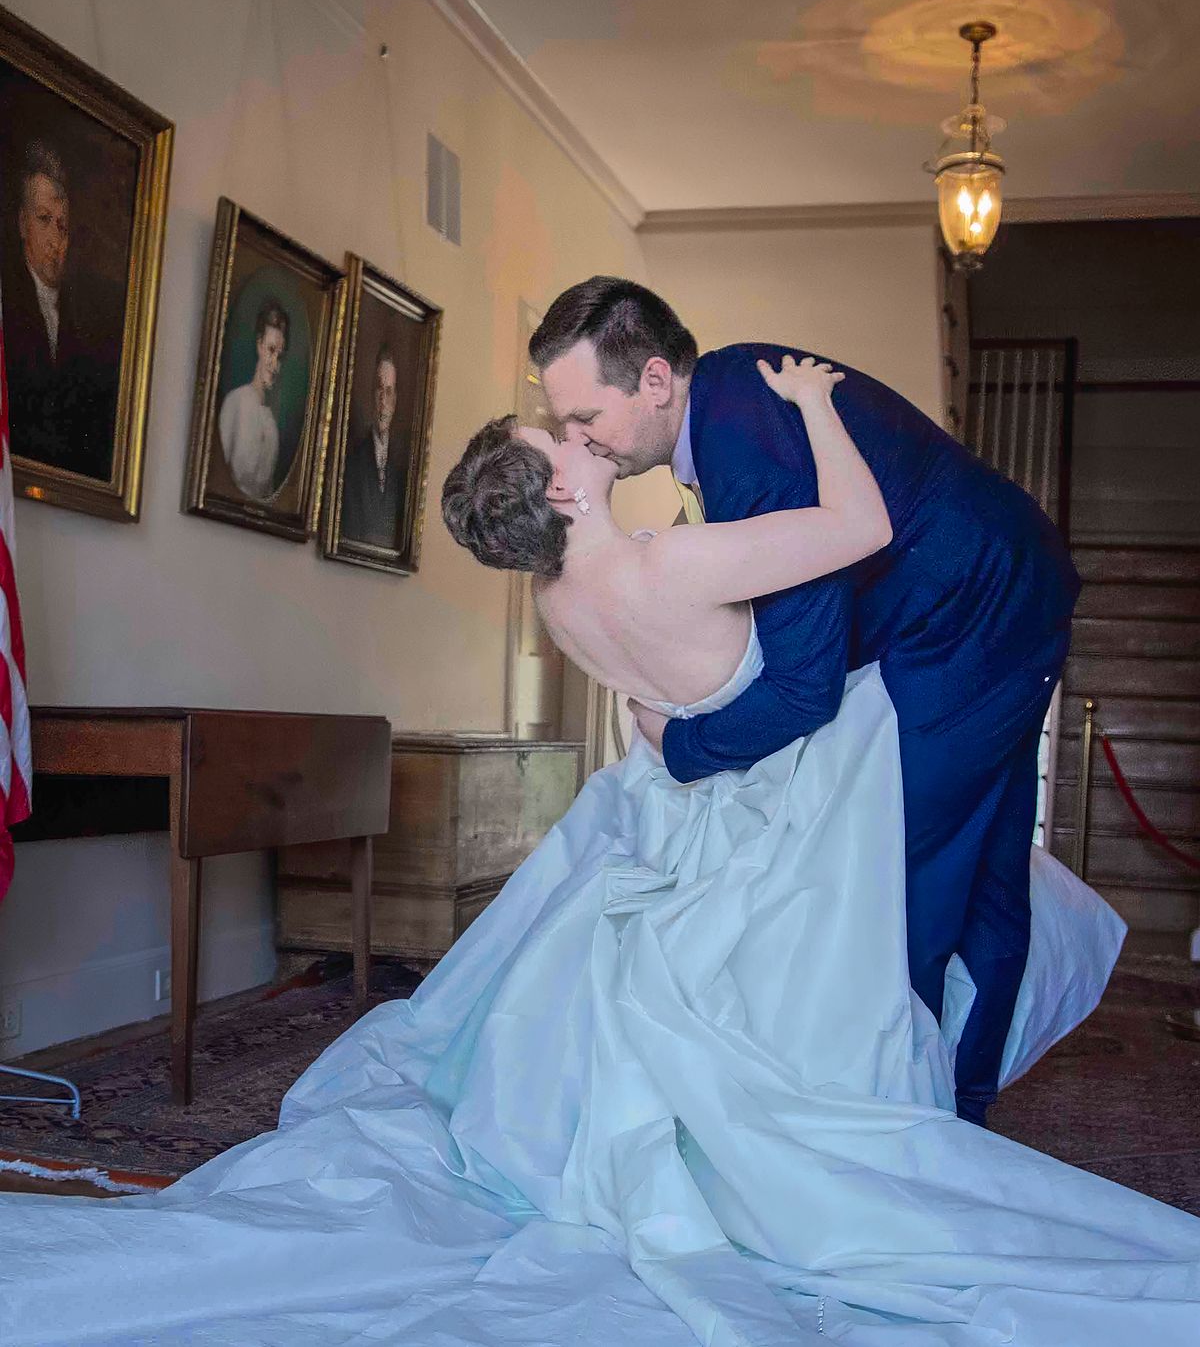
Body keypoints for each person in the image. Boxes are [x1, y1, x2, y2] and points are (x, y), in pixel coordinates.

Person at [4, 358, 1188, 1347]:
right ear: (562, 496)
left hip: (674, 801)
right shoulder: (673, 562)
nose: (578, 437)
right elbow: (861, 530)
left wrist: (679, 736)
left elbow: (644, 721)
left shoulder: (562, 608)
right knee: (871, 949)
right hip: (780, 793)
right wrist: (819, 401)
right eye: (559, 441)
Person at [529, 276, 1080, 1129]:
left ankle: (904, 1121)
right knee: (987, 868)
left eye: (585, 419)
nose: (579, 442)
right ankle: (962, 1101)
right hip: (1000, 591)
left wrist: (680, 747)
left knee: (903, 870)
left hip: (969, 617)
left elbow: (803, 685)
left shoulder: (747, 446)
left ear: (654, 382)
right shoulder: (734, 395)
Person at [1, 138, 122, 480]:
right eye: (44, 219)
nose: (56, 239)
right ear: (23, 224)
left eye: (62, 225)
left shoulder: (86, 319)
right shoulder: (8, 306)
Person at [217, 298, 288, 500]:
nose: (274, 364)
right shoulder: (235, 402)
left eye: (280, 356)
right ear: (259, 346)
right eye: (271, 350)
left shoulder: (272, 426)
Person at [340, 344, 406, 545]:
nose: (383, 401)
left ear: (395, 400)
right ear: (371, 393)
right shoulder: (353, 461)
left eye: (389, 391)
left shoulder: (402, 466)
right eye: (379, 389)